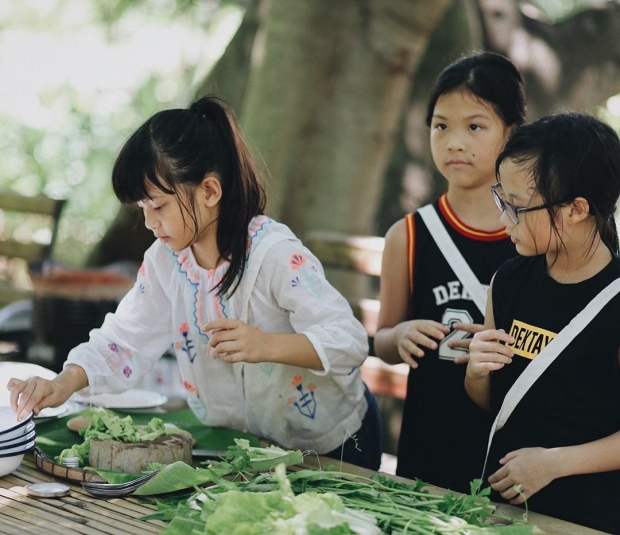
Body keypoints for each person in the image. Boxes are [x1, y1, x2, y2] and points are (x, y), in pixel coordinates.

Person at [7, 96, 382, 470]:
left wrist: (266, 344)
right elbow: (124, 340)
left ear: (209, 192)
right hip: (251, 450)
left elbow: (348, 340)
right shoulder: (165, 262)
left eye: (159, 206)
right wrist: (62, 384)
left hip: (335, 445)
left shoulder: (274, 254)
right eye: (142, 209)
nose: (151, 223)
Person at [374, 52, 525, 493]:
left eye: (474, 126)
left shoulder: (533, 237)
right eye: (441, 126)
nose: (455, 142)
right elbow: (383, 338)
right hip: (429, 441)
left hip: (509, 451)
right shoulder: (409, 235)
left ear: (511, 133)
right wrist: (399, 336)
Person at [466, 112, 620, 533]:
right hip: (499, 511)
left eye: (515, 207)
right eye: (501, 200)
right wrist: (477, 370)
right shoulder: (509, 280)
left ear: (576, 210)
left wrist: (555, 463)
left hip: (585, 517)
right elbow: (491, 401)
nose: (503, 220)